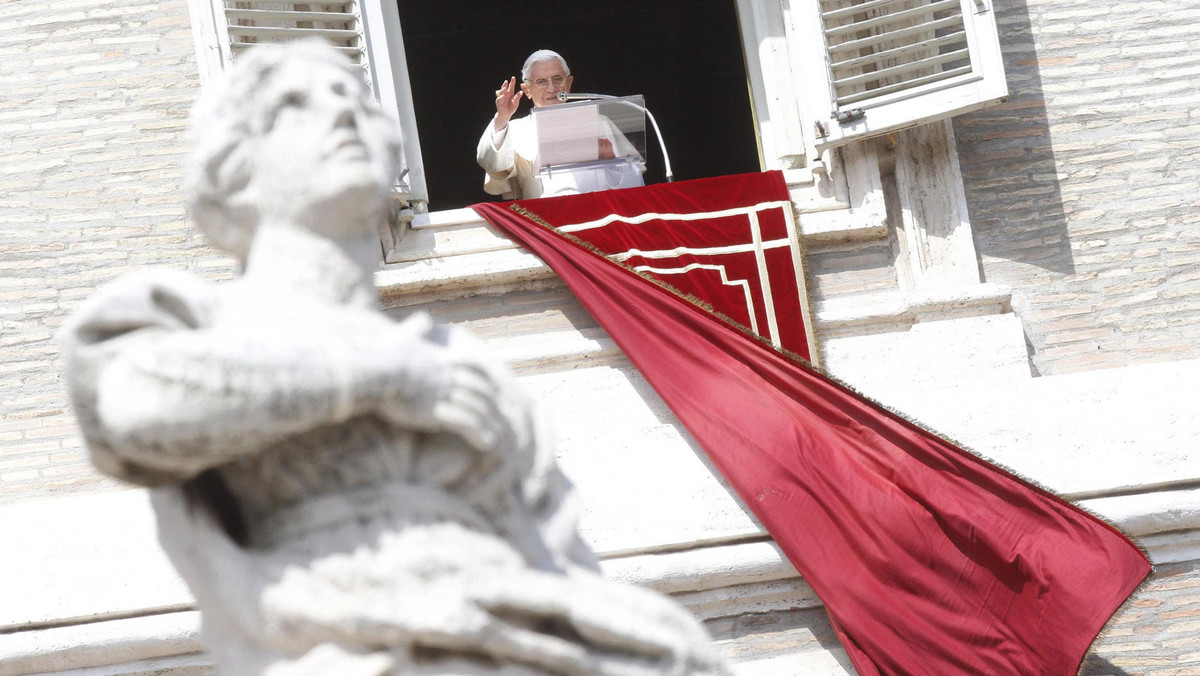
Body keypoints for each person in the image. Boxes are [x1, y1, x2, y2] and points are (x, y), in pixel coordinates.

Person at [61, 40, 727, 676]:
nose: (344, 110)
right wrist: (373, 376)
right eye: (299, 104)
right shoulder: (183, 319)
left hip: (511, 628)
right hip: (342, 627)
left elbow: (557, 560)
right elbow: (134, 414)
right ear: (231, 170)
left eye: (353, 95)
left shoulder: (464, 365)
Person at [476, 49, 643, 200]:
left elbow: (635, 187)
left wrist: (612, 163)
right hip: (545, 224)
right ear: (526, 89)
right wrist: (502, 118)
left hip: (598, 218)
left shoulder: (599, 122)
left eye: (557, 79)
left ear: (569, 84)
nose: (551, 88)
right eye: (541, 81)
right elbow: (491, 163)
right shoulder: (515, 129)